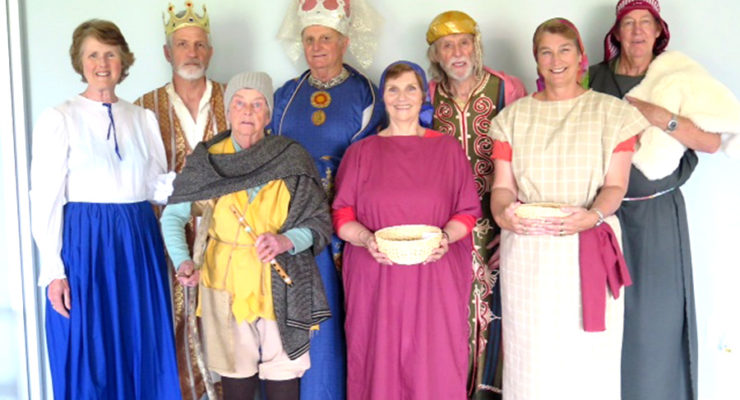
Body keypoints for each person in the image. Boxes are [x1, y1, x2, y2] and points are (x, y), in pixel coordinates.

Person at [488, 18, 650, 400]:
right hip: (529, 254)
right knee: (532, 358)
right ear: (536, 60)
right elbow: (502, 187)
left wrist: (593, 216)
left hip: (587, 249)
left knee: (587, 358)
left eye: (564, 50)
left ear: (581, 56)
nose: (556, 60)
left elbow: (615, 186)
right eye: (546, 52)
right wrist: (503, 213)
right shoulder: (511, 119)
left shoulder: (613, 114)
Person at [30, 19, 181, 399]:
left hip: (137, 241)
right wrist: (54, 272)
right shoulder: (60, 118)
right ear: (79, 62)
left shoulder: (143, 118)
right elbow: (45, 198)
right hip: (86, 244)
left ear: (123, 60)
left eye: (110, 54)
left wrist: (201, 182)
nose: (102, 63)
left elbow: (156, 188)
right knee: (90, 349)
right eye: (93, 55)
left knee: (139, 342)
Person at [160, 71, 332, 400]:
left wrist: (286, 240)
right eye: (239, 103)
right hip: (225, 283)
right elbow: (173, 216)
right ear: (228, 111)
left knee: (284, 386)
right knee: (237, 387)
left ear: (268, 114)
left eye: (257, 104)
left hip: (283, 283)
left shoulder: (291, 157)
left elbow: (318, 223)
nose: (247, 112)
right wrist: (183, 261)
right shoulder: (209, 160)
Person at [589, 1, 725, 399]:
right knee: (601, 320)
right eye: (628, 23)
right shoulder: (592, 78)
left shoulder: (678, 77)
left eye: (645, 22)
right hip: (599, 217)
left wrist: (659, 116)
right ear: (615, 33)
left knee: (656, 324)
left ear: (658, 30)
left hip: (658, 218)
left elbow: (711, 142)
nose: (636, 31)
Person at [333, 60, 482, 400]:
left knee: (434, 358)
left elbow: (467, 212)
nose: (402, 97)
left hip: (435, 275)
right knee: (377, 357)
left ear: (423, 95)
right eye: (393, 89)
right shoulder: (360, 153)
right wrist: (366, 239)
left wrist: (446, 238)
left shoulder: (447, 149)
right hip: (376, 276)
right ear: (383, 96)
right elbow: (341, 216)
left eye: (410, 88)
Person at [272, 1, 385, 398]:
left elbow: (376, 162)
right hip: (294, 225)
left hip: (348, 227)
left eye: (326, 38)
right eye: (309, 39)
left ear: (344, 43)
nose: (317, 47)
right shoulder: (286, 95)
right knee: (303, 317)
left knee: (347, 317)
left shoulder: (367, 93)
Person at [425, 10, 527, 398]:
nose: (457, 53)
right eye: (447, 46)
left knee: (497, 310)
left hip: (498, 222)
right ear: (435, 55)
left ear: (476, 46)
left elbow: (525, 155)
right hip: (446, 228)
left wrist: (514, 219)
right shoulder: (427, 95)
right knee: (448, 312)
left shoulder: (506, 88)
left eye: (464, 43)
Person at [134, 2, 227, 397]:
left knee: (226, 325)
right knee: (174, 323)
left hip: (226, 236)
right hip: (166, 238)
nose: (192, 52)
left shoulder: (235, 99)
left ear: (210, 51)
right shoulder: (143, 108)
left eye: (199, 44)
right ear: (167, 52)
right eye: (183, 44)